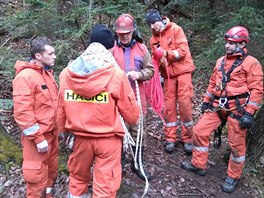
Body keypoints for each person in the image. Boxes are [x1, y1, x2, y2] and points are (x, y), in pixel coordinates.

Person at [57, 24, 140, 198]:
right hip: (108, 140)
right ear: (109, 49)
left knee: (78, 179)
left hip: (80, 139)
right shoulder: (116, 75)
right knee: (105, 185)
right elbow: (132, 116)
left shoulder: (66, 74)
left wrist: (62, 132)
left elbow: (61, 109)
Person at [180, 26, 263, 193]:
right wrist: (206, 102)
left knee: (236, 146)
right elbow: (212, 84)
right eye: (227, 42)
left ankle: (233, 177)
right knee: (199, 131)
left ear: (242, 44)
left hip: (238, 110)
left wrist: (249, 113)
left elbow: (257, 89)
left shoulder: (251, 63)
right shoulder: (220, 62)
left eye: (232, 43)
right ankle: (198, 164)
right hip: (218, 106)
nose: (227, 46)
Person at [12, 37, 58, 198]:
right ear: (38, 56)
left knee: (50, 176)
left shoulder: (47, 74)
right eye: (50, 53)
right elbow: (23, 112)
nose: (54, 57)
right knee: (36, 180)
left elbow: (51, 105)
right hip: (37, 140)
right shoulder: (25, 77)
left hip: (51, 136)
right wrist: (38, 139)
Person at [145, 9, 195, 154]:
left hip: (183, 72)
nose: (153, 26)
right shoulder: (153, 40)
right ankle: (170, 138)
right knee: (168, 107)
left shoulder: (176, 30)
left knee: (185, 104)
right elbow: (155, 59)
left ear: (160, 20)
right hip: (168, 77)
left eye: (154, 22)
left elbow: (183, 52)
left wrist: (166, 54)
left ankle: (188, 139)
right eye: (150, 24)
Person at [112, 13, 154, 181]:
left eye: (127, 34)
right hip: (117, 101)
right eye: (121, 34)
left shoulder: (142, 49)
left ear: (133, 31)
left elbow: (151, 70)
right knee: (117, 134)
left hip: (137, 99)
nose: (124, 37)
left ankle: (137, 164)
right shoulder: (111, 49)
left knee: (138, 133)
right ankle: (117, 165)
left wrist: (139, 74)